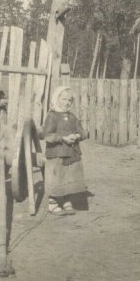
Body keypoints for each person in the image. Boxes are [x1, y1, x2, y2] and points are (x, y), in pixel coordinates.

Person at [42, 86, 88, 216]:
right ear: (57, 99)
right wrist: (62, 138)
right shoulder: (52, 116)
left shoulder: (72, 117)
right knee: (57, 177)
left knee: (70, 176)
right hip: (57, 152)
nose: (67, 102)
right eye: (64, 99)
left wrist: (78, 136)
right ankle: (53, 204)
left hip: (72, 152)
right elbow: (47, 135)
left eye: (69, 100)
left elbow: (83, 132)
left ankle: (67, 202)